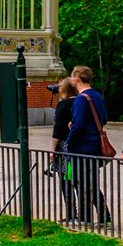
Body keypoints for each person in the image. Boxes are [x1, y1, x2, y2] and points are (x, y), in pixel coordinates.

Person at [65, 65, 113, 227]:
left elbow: (78, 125)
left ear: (77, 78)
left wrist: (70, 138)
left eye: (72, 76)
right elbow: (104, 119)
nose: (71, 79)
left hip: (81, 146)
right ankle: (105, 216)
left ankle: (85, 218)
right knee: (91, 183)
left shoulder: (81, 98)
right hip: (95, 146)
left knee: (81, 183)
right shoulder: (97, 96)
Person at [48, 76, 80, 221]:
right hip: (78, 146)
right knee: (81, 180)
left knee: (66, 180)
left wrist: (52, 150)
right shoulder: (81, 101)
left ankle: (71, 213)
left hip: (65, 148)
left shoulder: (63, 105)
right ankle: (100, 213)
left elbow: (58, 130)